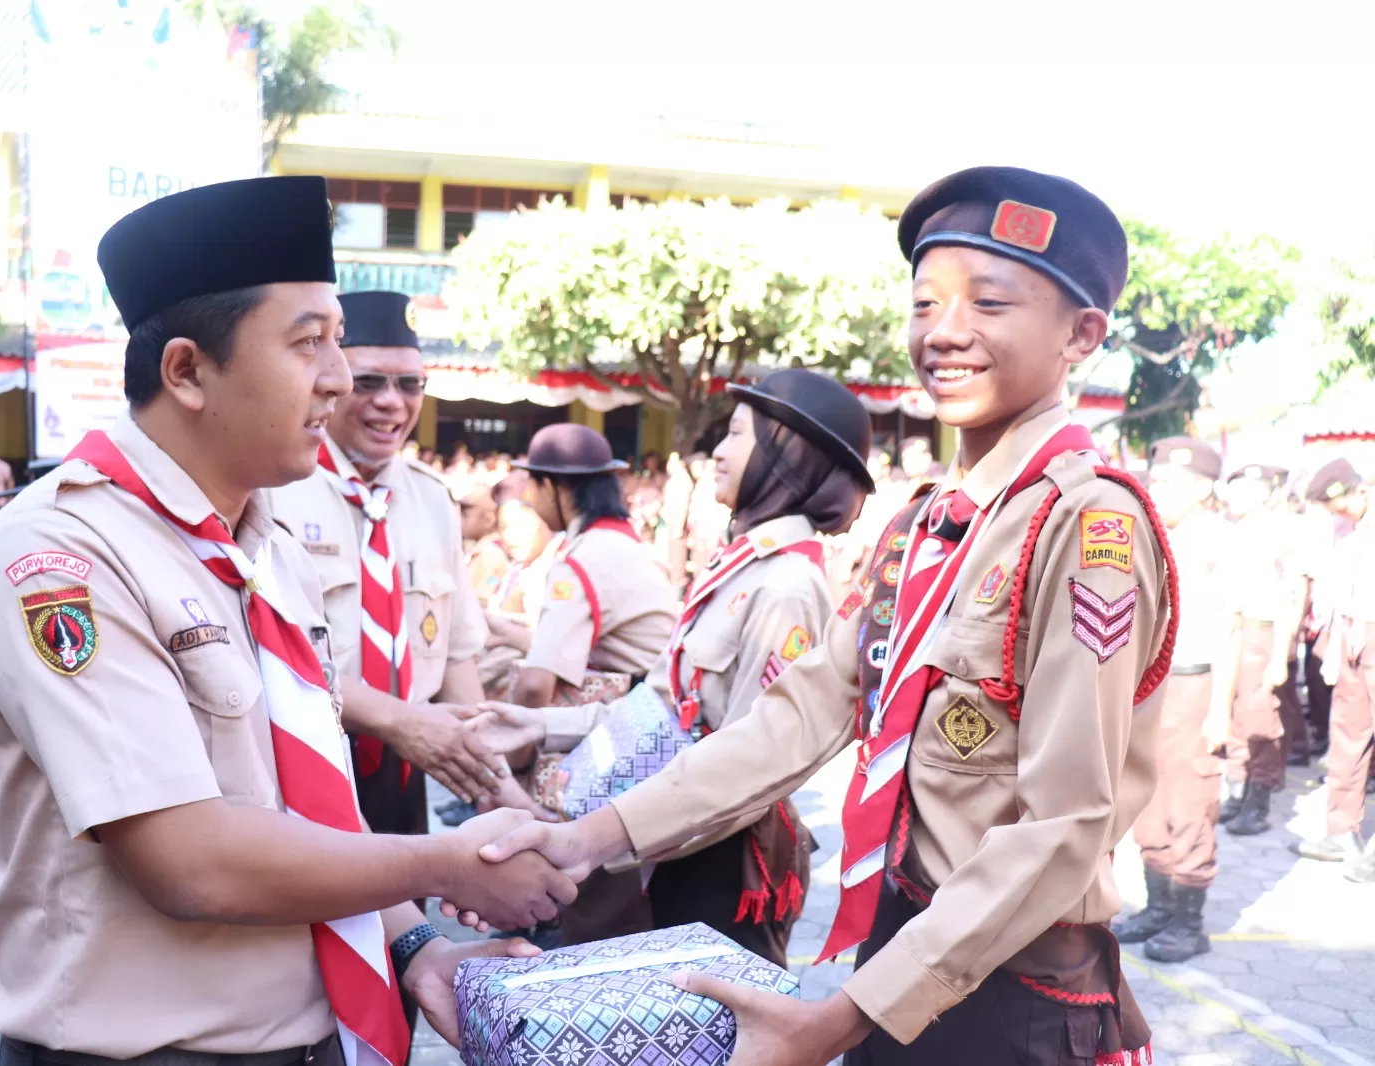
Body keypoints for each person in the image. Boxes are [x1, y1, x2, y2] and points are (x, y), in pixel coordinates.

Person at [457, 166, 1175, 1066]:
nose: (944, 333)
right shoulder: (930, 527)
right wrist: (581, 840)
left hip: (1009, 994)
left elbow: (1065, 826)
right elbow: (799, 717)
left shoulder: (1087, 524)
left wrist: (836, 1020)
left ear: (1082, 335)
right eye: (924, 304)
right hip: (899, 959)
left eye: (989, 303)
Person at [0, 177, 575, 1066]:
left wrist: (415, 944)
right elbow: (190, 859)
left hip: (311, 1037)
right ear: (188, 371)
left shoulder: (264, 544)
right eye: (308, 343)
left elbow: (310, 795)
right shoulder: (61, 559)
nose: (342, 379)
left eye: (340, 341)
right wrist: (441, 864)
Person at [466, 368, 876, 965]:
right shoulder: (740, 566)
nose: (719, 452)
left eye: (737, 434)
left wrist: (613, 838)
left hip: (711, 862)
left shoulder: (786, 584)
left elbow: (746, 763)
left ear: (787, 456)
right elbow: (662, 706)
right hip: (665, 836)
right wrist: (542, 726)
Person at [270, 290, 501, 837]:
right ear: (330, 379)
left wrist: (497, 792)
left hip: (406, 775)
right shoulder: (273, 489)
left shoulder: (432, 499)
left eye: (409, 384)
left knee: (412, 920)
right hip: (302, 762)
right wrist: (400, 723)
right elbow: (276, 656)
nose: (391, 403)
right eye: (369, 381)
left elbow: (458, 659)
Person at [1114, 438, 1235, 962]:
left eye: (1172, 482)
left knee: (1189, 801)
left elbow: (1231, 628)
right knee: (1148, 797)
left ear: (1205, 487)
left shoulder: (1221, 541)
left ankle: (1189, 921)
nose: (1158, 490)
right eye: (1156, 479)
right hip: (1147, 685)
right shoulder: (1147, 531)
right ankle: (1158, 905)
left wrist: (1221, 709)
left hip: (1193, 683)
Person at [507, 423, 677, 709]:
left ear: (550, 486)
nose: (529, 498)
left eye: (530, 485)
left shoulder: (583, 560)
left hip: (640, 717)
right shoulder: (619, 542)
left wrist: (505, 752)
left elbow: (535, 687)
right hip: (662, 708)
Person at [1211, 461, 1304, 835]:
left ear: (1263, 493)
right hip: (1235, 630)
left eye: (1243, 490)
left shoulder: (1277, 533)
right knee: (1234, 715)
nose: (1233, 496)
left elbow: (1288, 600)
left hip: (1262, 633)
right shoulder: (1235, 531)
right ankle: (1237, 789)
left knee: (1261, 718)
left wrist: (1281, 655)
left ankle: (1259, 799)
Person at [1293, 457, 1375, 878]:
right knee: (1348, 733)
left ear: (1360, 490)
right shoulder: (1347, 530)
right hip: (1351, 631)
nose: (1338, 513)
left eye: (1341, 504)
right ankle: (1342, 831)